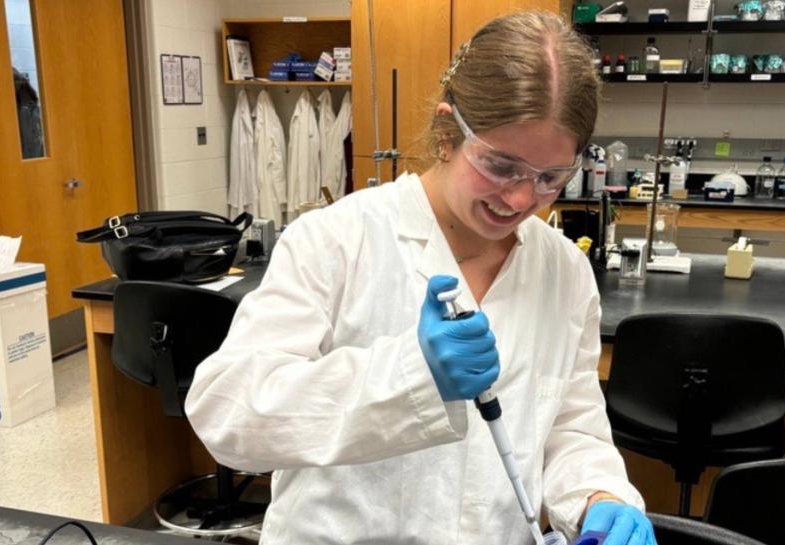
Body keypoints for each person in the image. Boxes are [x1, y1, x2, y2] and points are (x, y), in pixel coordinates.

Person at [185, 11, 656, 545]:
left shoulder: (564, 272)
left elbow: (570, 426)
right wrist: (411, 377)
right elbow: (227, 413)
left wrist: (599, 495)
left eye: (550, 177)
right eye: (501, 166)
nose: (522, 199)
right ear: (446, 131)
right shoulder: (338, 239)